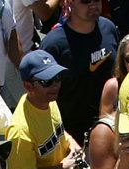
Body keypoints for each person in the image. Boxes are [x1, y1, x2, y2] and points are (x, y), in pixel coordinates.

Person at [5, 50, 76, 169]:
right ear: (28, 86)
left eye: (57, 78)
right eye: (47, 81)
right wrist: (61, 168)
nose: (55, 85)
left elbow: (58, 132)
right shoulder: (20, 131)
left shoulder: (48, 100)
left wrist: (73, 145)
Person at [35, 0, 117, 142]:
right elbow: (40, 99)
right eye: (85, 1)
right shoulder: (54, 44)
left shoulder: (108, 27)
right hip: (72, 135)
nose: (93, 4)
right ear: (70, 2)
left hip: (111, 125)